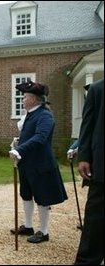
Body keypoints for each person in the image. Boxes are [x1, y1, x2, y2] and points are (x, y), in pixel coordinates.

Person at [9, 81, 68, 244]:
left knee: (42, 197)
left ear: (34, 99)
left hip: (41, 164)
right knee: (26, 194)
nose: (23, 99)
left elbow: (41, 138)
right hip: (27, 163)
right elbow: (30, 135)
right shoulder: (31, 114)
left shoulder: (45, 115)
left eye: (25, 96)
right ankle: (28, 226)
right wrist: (18, 142)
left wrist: (19, 150)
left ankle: (44, 231)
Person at [74, 79, 104, 265]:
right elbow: (88, 125)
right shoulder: (98, 89)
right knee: (96, 220)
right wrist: (84, 156)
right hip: (102, 167)